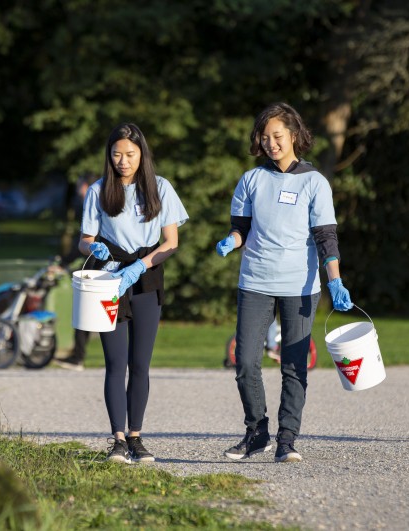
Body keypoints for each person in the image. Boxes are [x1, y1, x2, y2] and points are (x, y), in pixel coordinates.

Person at [216, 102, 353, 463]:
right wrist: (231, 241)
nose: (271, 143)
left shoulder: (314, 182)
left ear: (294, 136)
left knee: (293, 366)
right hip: (255, 281)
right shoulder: (251, 180)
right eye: (265, 138)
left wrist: (335, 281)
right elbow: (241, 228)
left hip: (300, 286)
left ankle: (287, 439)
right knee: (245, 361)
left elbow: (326, 238)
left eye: (277, 136)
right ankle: (256, 433)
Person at [79, 122, 188, 463]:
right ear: (108, 157)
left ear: (142, 154)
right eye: (116, 155)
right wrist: (93, 248)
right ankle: (117, 440)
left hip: (146, 279)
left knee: (140, 363)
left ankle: (136, 437)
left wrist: (140, 267)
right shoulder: (98, 191)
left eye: (130, 154)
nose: (123, 161)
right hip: (109, 280)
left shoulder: (161, 188)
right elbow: (84, 238)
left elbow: (171, 242)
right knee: (116, 362)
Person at [56, 174, 99, 371]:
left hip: (97, 267)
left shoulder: (94, 207)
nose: (77, 191)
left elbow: (84, 243)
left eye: (80, 187)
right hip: (99, 265)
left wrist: (64, 262)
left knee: (85, 312)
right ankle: (78, 355)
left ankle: (78, 357)